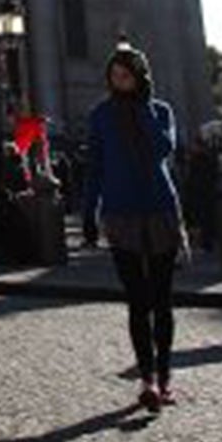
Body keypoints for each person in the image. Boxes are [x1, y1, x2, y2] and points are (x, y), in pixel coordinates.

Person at [83, 45, 185, 411]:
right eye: (114, 75)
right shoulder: (101, 115)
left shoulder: (159, 111)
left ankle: (166, 375)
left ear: (139, 76)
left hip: (160, 211)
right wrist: (88, 212)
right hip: (121, 214)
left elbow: (162, 150)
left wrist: (139, 108)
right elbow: (94, 166)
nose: (118, 80)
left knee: (162, 300)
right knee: (138, 302)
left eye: (125, 74)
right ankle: (148, 379)